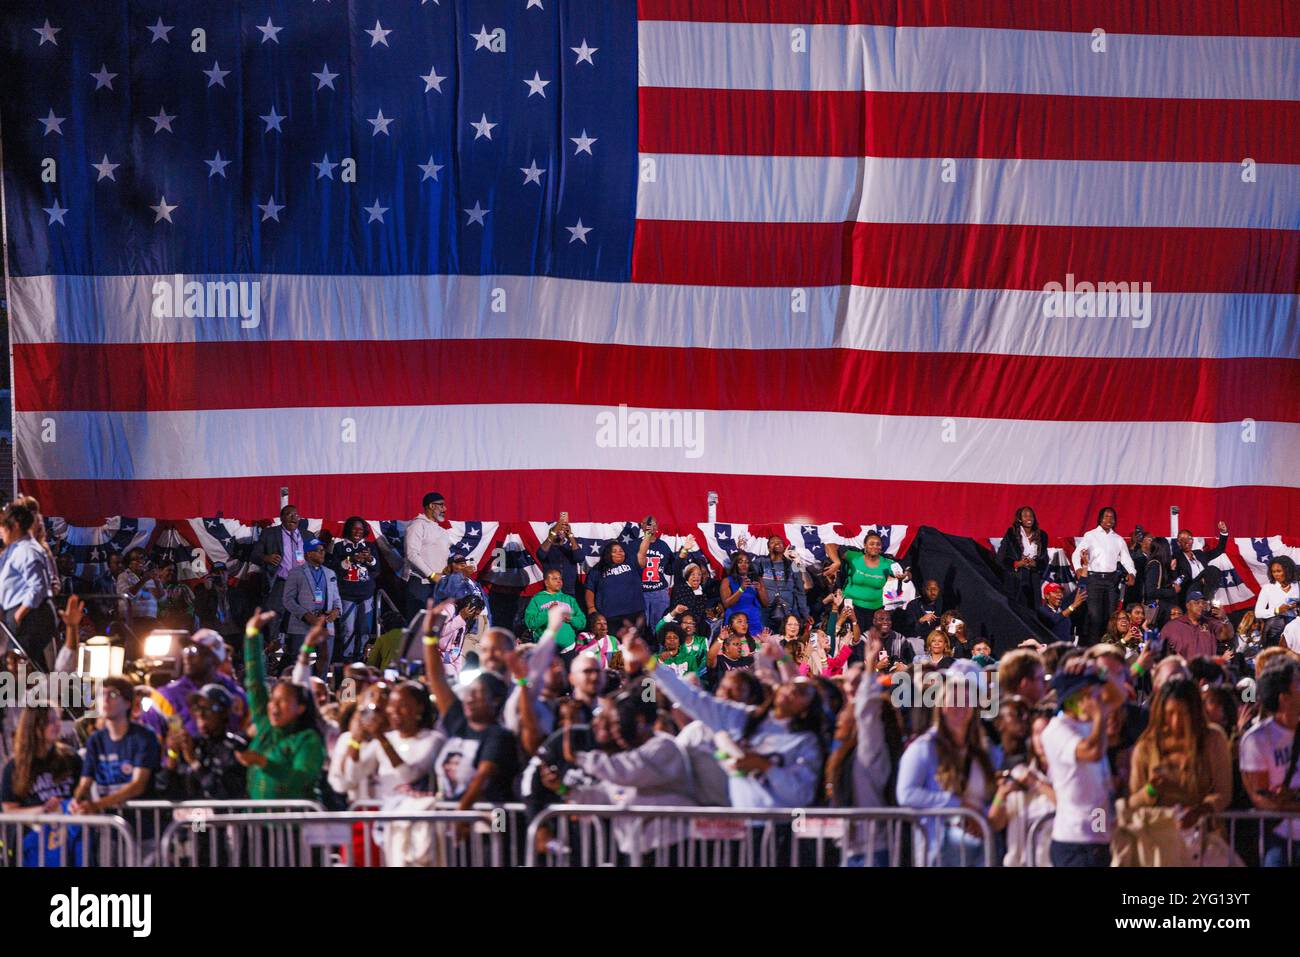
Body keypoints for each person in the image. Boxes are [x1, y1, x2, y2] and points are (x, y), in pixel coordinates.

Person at [631, 633, 825, 808]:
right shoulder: (744, 717)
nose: (791, 691)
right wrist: (649, 662)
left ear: (809, 707)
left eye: (801, 692)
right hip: (739, 825)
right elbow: (690, 698)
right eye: (791, 687)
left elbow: (801, 795)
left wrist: (765, 767)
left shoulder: (806, 741)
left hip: (779, 830)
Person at [895, 662, 996, 865]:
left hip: (980, 850)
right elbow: (906, 793)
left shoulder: (983, 750)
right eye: (955, 699)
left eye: (967, 700)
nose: (961, 706)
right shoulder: (923, 747)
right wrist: (958, 806)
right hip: (938, 849)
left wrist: (984, 817)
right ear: (941, 705)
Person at [420, 602, 519, 807]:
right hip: (455, 817)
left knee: (498, 834)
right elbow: (437, 680)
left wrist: (461, 814)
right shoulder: (461, 715)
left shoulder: (502, 730)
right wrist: (429, 637)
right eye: (486, 649)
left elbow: (483, 778)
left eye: (498, 650)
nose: (471, 699)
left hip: (492, 817)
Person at [236, 610, 328, 800]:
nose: (274, 707)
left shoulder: (307, 740)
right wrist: (252, 635)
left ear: (301, 707)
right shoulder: (264, 725)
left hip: (295, 827)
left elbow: (301, 778)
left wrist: (263, 762)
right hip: (256, 826)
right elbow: (255, 684)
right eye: (273, 700)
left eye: (284, 701)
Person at [1124, 678, 1232, 835]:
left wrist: (1200, 811)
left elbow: (1224, 793)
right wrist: (1151, 790)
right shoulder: (1147, 746)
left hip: (1202, 840)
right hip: (1158, 841)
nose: (1176, 721)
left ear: (1195, 712)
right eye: (1170, 714)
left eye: (1183, 714)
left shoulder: (1213, 739)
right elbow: (1133, 802)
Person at [1040, 663, 1119, 866]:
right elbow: (1093, 753)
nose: (1097, 699)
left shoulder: (1090, 724)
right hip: (1074, 842)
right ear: (1075, 698)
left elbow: (1117, 697)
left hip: (1098, 834)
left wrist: (1098, 670)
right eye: (1091, 694)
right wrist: (1100, 716)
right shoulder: (1056, 730)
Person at [71, 675, 161, 814]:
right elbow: (85, 783)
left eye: (113, 694)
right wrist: (77, 800)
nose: (105, 700)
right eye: (101, 694)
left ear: (127, 703)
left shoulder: (144, 737)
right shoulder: (95, 740)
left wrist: (97, 805)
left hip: (140, 824)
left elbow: (138, 785)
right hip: (108, 825)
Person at [1239, 659, 1300, 865]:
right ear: (1284, 698)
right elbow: (1261, 798)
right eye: (1298, 684)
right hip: (1279, 839)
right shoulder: (1258, 739)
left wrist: (1286, 800)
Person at [340, 680, 439, 802]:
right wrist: (356, 740)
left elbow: (409, 775)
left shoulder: (433, 740)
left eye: (402, 706)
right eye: (392, 705)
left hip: (417, 816)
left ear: (419, 708)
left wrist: (381, 738)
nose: (395, 711)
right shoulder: (386, 739)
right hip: (387, 815)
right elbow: (353, 775)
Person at [139, 629, 246, 741]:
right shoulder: (166, 696)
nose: (187, 656)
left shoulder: (235, 694)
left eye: (194, 651)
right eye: (186, 650)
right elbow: (148, 746)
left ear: (214, 658)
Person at [155, 684, 249, 800]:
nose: (200, 713)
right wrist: (172, 756)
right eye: (197, 709)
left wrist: (194, 762)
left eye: (207, 708)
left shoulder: (236, 747)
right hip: (188, 817)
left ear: (223, 712)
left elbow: (225, 794)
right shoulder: (190, 744)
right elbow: (164, 791)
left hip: (221, 817)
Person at [0, 504, 57, 669]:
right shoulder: (14, 549)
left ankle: (30, 695)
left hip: (30, 616)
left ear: (16, 525)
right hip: (18, 614)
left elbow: (38, 586)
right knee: (16, 666)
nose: (1, 531)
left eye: (4, 526)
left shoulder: (27, 549)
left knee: (21, 666)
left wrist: (19, 614)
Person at [1072, 507, 1137, 646]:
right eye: (1106, 516)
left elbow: (1127, 559)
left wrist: (1132, 572)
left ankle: (1111, 648)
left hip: (1111, 581)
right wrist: (1078, 569)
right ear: (1100, 518)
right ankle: (1094, 649)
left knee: (1111, 618)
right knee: (1095, 617)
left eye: (1112, 517)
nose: (1109, 520)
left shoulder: (1118, 539)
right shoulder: (1090, 535)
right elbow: (1075, 554)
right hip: (1094, 580)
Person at [1, 704, 80, 812]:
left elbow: (84, 798)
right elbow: (9, 810)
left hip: (68, 827)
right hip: (35, 828)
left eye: (57, 719)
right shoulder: (14, 767)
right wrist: (43, 810)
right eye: (50, 721)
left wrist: (69, 805)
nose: (57, 724)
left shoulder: (71, 757)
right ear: (34, 725)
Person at [250, 504, 308, 648]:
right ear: (281, 518)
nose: (293, 517)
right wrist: (266, 558)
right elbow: (254, 555)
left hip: (303, 586)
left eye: (296, 515)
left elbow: (318, 556)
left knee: (297, 621)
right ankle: (270, 651)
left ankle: (292, 655)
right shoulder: (270, 534)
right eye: (289, 514)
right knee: (273, 619)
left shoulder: (307, 535)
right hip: (281, 583)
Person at [282, 538, 342, 667]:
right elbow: (287, 599)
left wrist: (336, 611)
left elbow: (336, 598)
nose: (322, 553)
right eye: (318, 550)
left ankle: (322, 687)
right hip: (302, 627)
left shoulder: (330, 573)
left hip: (326, 626)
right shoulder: (296, 572)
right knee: (301, 668)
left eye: (323, 550)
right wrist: (305, 615)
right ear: (308, 553)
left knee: (324, 666)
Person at [330, 516, 379, 663]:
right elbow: (334, 569)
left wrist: (370, 559)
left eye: (361, 529)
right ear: (348, 530)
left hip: (366, 595)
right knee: (348, 629)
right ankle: (347, 659)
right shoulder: (339, 547)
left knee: (365, 630)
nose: (358, 531)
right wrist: (351, 559)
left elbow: (377, 569)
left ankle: (361, 659)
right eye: (354, 528)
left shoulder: (370, 546)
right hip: (347, 595)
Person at [841, 533, 907, 631]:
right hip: (851, 606)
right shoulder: (854, 557)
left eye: (878, 544)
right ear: (865, 545)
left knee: (869, 641)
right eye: (871, 544)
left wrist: (905, 576)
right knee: (851, 639)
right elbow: (832, 546)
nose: (875, 546)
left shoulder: (887, 563)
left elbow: (906, 574)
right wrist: (836, 562)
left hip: (874, 610)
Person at [403, 492, 452, 617]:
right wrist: (432, 575)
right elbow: (412, 554)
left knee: (438, 626)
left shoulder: (442, 530)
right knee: (419, 628)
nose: (444, 509)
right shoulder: (417, 525)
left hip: (440, 585)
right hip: (421, 584)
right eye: (441, 505)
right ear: (431, 506)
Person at [584, 539, 646, 635]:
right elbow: (590, 590)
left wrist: (648, 535)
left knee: (635, 645)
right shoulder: (597, 570)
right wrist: (591, 608)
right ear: (608, 554)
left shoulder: (631, 562)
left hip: (634, 613)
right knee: (614, 645)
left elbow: (642, 552)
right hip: (610, 616)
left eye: (621, 550)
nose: (619, 553)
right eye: (614, 551)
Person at [997, 507, 1049, 610]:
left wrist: (1035, 564)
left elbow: (1044, 560)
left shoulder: (1042, 535)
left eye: (1031, 515)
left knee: (1033, 609)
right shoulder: (1011, 533)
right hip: (1016, 577)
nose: (1029, 518)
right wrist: (1017, 564)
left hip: (1033, 577)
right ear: (1020, 519)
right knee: (1016, 608)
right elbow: (1000, 557)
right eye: (1025, 516)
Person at [754, 535, 809, 633]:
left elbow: (804, 587)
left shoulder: (793, 564)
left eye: (779, 542)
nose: (776, 543)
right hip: (766, 612)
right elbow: (748, 574)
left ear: (784, 547)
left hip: (789, 612)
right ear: (768, 548)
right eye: (772, 542)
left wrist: (798, 562)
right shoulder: (760, 562)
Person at [524, 569, 586, 653]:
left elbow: (582, 623)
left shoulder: (569, 599)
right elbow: (530, 623)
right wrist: (548, 613)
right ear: (546, 582)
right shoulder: (537, 599)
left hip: (568, 649)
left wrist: (571, 619)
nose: (559, 581)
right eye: (554, 579)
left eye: (560, 579)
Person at [637, 517, 679, 631]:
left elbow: (670, 569)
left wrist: (681, 556)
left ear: (657, 527)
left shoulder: (663, 546)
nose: (650, 526)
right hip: (639, 592)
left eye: (653, 524)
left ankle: (661, 649)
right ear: (642, 525)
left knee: (661, 626)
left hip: (659, 592)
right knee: (639, 627)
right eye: (647, 523)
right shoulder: (635, 544)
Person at [1173, 522, 1230, 604]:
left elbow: (1219, 550)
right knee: (1211, 570)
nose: (1187, 542)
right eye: (1183, 540)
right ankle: (1205, 600)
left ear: (1192, 541)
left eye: (1189, 539)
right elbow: (1177, 581)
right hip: (1189, 591)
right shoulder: (1176, 558)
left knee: (1213, 570)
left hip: (1205, 590)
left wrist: (1223, 533)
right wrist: (1173, 569)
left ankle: (1207, 601)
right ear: (1178, 543)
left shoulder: (1199, 554)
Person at [1159, 591, 1219, 661]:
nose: (1200, 605)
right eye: (1197, 602)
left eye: (1203, 603)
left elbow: (1227, 635)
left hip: (1206, 670)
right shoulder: (1169, 627)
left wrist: (1224, 619)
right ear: (1188, 605)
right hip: (1182, 670)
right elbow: (1160, 652)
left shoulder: (1210, 623)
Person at [719, 550, 767, 633]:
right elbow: (726, 604)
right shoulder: (727, 581)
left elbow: (766, 604)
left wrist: (760, 589)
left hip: (754, 620)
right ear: (735, 564)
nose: (744, 565)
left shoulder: (757, 579)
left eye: (747, 562)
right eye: (740, 562)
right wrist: (741, 589)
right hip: (736, 621)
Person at [1255, 557, 1299, 647]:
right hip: (1276, 629)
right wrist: (1277, 610)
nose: (1276, 575)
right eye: (1273, 572)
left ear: (1288, 571)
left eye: (1279, 571)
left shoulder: (1297, 586)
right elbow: (1258, 613)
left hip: (1296, 627)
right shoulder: (1268, 588)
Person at [1141, 537, 1180, 628]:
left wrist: (1172, 570)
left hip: (1163, 610)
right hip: (1158, 612)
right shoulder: (1155, 565)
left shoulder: (1162, 565)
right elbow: (1151, 591)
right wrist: (1173, 591)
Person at [536, 519, 582, 597]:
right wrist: (554, 532)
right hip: (550, 591)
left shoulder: (570, 548)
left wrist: (570, 535)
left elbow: (580, 558)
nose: (559, 532)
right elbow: (541, 554)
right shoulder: (547, 548)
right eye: (557, 530)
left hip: (569, 591)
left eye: (562, 530)